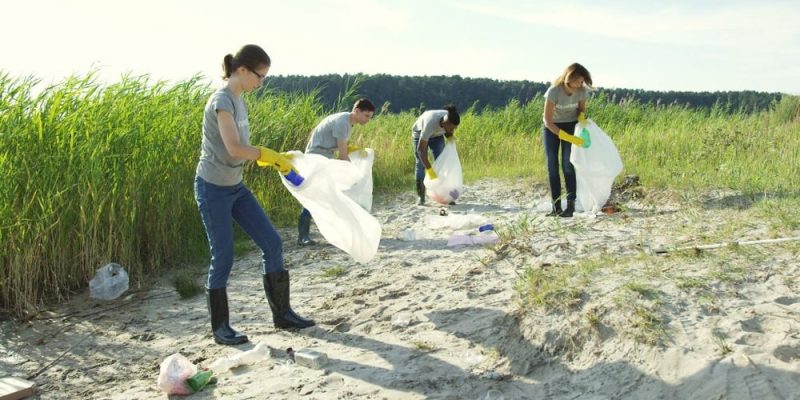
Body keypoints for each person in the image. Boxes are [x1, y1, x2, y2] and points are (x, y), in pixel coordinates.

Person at [194, 44, 314, 345]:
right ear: (242, 70)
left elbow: (241, 150)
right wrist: (266, 154)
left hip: (235, 186)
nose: (261, 83)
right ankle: (221, 327)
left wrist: (273, 156)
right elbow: (234, 148)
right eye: (260, 76)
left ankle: (282, 314)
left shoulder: (240, 100)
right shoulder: (222, 100)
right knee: (223, 255)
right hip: (212, 188)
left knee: (272, 242)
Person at [297, 98, 375, 246]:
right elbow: (343, 157)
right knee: (316, 195)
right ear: (357, 111)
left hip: (325, 157)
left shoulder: (348, 121)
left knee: (328, 195)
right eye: (366, 116)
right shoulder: (342, 123)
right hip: (316, 158)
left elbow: (341, 147)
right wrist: (356, 176)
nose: (368, 120)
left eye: (370, 117)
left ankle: (334, 232)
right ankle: (303, 236)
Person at [542, 62, 593, 217]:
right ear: (569, 78)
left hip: (571, 125)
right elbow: (547, 120)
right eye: (578, 81)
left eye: (582, 82)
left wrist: (582, 119)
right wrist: (564, 136)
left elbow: (581, 111)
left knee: (568, 165)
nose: (580, 84)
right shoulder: (554, 91)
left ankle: (570, 207)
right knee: (552, 166)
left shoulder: (582, 91)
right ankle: (555, 207)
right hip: (552, 128)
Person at [412, 104, 460, 205]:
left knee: (443, 161)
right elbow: (420, 150)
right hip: (419, 132)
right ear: (446, 123)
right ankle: (421, 197)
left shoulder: (449, 120)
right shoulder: (430, 123)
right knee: (420, 164)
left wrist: (450, 138)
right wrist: (429, 169)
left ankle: (447, 195)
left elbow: (447, 131)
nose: (453, 131)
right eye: (452, 128)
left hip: (437, 135)